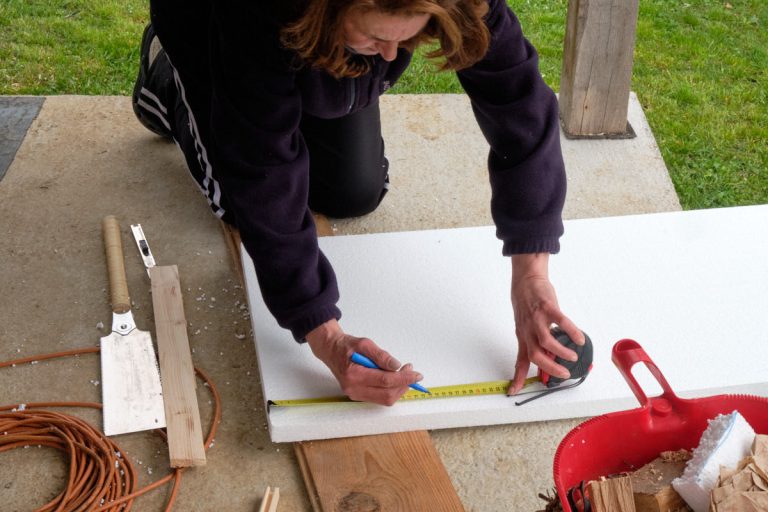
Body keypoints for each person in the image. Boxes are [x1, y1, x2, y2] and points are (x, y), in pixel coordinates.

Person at [132, 0, 585, 406]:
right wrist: (323, 332)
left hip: (316, 36)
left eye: (406, 35)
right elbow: (261, 173)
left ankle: (307, 84)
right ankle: (169, 85)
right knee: (237, 204)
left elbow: (520, 105)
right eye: (378, 36)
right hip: (213, 21)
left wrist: (532, 274)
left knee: (354, 193)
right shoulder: (258, 15)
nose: (392, 55)